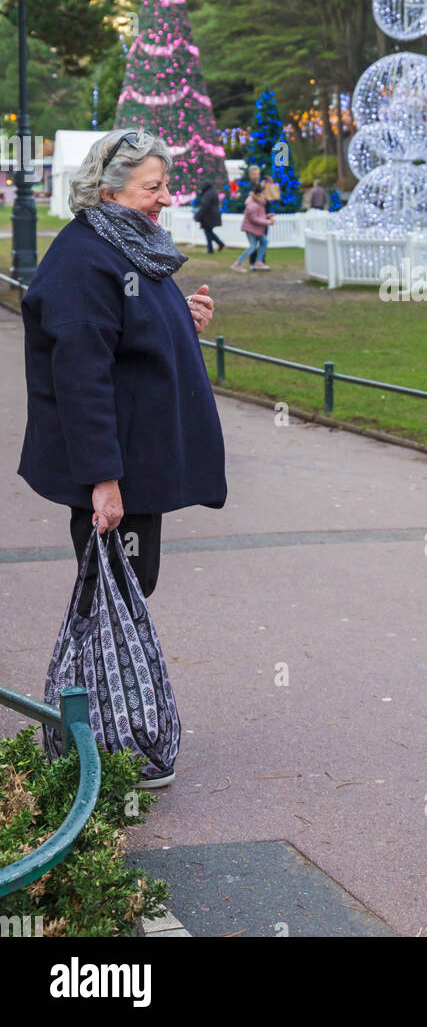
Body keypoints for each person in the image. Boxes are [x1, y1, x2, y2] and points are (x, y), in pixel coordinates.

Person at [18, 128, 227, 786]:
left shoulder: (125, 243)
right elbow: (82, 375)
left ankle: (99, 728)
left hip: (136, 461)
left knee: (122, 590)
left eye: (165, 184)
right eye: (153, 187)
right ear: (109, 188)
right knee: (111, 594)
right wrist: (103, 481)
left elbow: (130, 335)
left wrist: (180, 321)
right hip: (115, 471)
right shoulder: (87, 259)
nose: (166, 197)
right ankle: (101, 738)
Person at [232, 183, 273, 272]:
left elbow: (259, 216)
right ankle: (237, 263)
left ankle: (258, 261)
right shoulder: (252, 204)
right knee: (253, 247)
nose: (265, 195)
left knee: (264, 241)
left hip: (255, 228)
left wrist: (267, 216)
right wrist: (268, 222)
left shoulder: (258, 202)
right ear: (258, 194)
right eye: (263, 193)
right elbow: (254, 219)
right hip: (251, 229)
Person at [194, 179, 225, 253]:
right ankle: (213, 247)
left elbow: (204, 206)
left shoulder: (207, 194)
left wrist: (197, 215)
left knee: (208, 232)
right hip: (212, 215)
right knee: (208, 232)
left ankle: (217, 245)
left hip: (209, 216)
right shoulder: (212, 192)